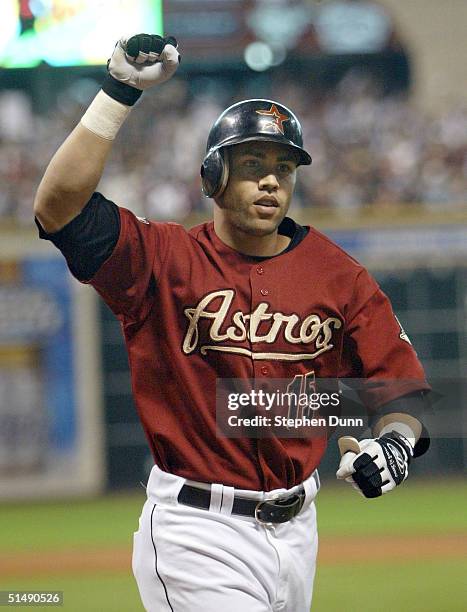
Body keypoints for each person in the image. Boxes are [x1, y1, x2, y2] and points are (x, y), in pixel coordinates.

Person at [34, 34, 430, 612]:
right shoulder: (160, 260)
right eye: (252, 165)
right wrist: (118, 91)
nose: (272, 180)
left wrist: (394, 444)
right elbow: (58, 206)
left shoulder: (337, 275)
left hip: (298, 531)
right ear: (213, 175)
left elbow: (403, 390)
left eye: (284, 167)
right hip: (196, 529)